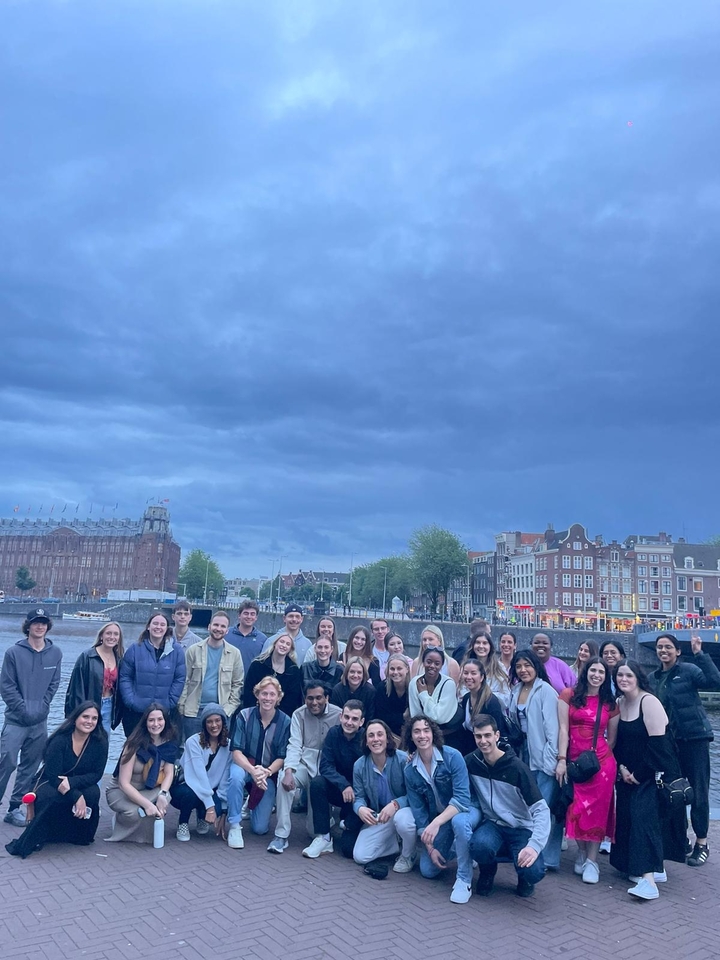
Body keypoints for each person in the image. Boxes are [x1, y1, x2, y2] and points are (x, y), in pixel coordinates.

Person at [610, 660, 688, 900]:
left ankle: (649, 881)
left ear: (638, 677)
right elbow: (618, 744)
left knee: (643, 819)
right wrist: (622, 769)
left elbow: (659, 746)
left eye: (628, 675)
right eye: (620, 675)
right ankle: (646, 865)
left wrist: (639, 774)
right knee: (626, 818)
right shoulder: (619, 704)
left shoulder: (649, 702)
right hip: (627, 773)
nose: (624, 679)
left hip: (652, 773)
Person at [452, 715, 550, 900]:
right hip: (494, 824)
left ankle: (525, 878)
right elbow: (449, 766)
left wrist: (534, 846)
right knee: (479, 846)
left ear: (497, 736)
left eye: (487, 735)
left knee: (534, 871)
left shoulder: (518, 768)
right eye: (478, 736)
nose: (483, 741)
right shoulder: (471, 762)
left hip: (521, 827)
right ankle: (488, 872)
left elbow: (541, 809)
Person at [5, 701, 108, 859]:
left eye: (94, 718)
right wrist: (76, 796)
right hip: (50, 781)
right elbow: (53, 775)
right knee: (51, 796)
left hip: (77, 781)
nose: (89, 721)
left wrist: (73, 784)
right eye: (85, 716)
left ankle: (77, 835)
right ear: (75, 719)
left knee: (93, 793)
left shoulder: (100, 741)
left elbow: (96, 774)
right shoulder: (60, 740)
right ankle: (41, 834)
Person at [651, 633, 720, 867]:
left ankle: (702, 843)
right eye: (660, 647)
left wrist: (700, 653)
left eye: (668, 647)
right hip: (669, 743)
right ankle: (680, 840)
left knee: (699, 790)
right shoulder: (653, 678)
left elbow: (714, 680)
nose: (664, 651)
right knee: (674, 791)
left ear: (678, 651)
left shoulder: (689, 671)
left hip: (694, 738)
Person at [556, 658, 619, 883]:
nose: (596, 675)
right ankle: (582, 852)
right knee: (576, 808)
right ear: (586, 672)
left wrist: (597, 760)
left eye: (601, 672)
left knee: (599, 812)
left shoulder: (610, 703)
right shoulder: (568, 695)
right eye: (593, 670)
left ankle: (592, 861)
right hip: (574, 762)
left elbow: (611, 740)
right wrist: (562, 759)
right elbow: (563, 729)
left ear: (606, 676)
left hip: (601, 764)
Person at [0, 608, 63, 827]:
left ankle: (14, 808)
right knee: (6, 762)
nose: (40, 626)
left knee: (30, 765)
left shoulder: (55, 654)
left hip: (39, 722)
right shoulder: (13, 653)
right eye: (36, 622)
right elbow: (6, 686)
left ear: (48, 626)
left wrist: (43, 707)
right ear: (28, 625)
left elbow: (54, 684)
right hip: (15, 721)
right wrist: (23, 710)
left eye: (44, 622)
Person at [402, 715, 471, 901]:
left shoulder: (452, 756)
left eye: (426, 730)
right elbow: (418, 811)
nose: (422, 735)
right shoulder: (410, 770)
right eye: (417, 731)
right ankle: (457, 847)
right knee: (428, 870)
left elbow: (463, 799)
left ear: (433, 734)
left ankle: (465, 877)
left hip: (462, 812)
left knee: (458, 822)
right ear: (411, 736)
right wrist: (430, 848)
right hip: (438, 819)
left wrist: (436, 823)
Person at [266, 682, 341, 854]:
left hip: (324, 772)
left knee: (313, 832)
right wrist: (289, 771)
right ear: (305, 699)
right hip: (304, 765)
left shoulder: (338, 715)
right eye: (310, 698)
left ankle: (324, 819)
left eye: (318, 698)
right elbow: (294, 744)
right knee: (283, 783)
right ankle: (281, 836)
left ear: (326, 698)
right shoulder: (298, 715)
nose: (314, 702)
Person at [508, 650, 562, 870]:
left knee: (544, 807)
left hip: (542, 756)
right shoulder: (516, 689)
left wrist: (553, 760)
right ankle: (529, 851)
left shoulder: (546, 691)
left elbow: (553, 730)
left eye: (527, 665)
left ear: (536, 666)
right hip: (523, 754)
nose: (523, 670)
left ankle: (548, 858)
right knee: (528, 805)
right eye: (519, 666)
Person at [226, 677, 291, 849]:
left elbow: (282, 756)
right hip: (245, 766)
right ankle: (234, 825)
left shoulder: (285, 721)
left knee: (260, 829)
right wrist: (252, 771)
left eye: (272, 694)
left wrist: (266, 772)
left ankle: (249, 805)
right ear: (257, 695)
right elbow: (236, 752)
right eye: (264, 693)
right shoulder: (244, 716)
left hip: (267, 773)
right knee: (235, 777)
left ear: (278, 698)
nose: (267, 698)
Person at [105, 703, 180, 843]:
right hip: (121, 791)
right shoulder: (133, 744)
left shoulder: (170, 743)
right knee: (134, 814)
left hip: (148, 789)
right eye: (151, 720)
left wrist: (163, 794)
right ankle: (122, 821)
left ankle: (146, 832)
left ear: (166, 721)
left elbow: (169, 773)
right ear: (145, 722)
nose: (156, 724)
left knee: (165, 797)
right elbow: (123, 783)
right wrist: (147, 804)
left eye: (160, 719)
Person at [303, 700, 366, 859]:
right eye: (347, 717)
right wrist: (344, 785)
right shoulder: (333, 734)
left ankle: (352, 824)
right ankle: (323, 837)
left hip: (359, 797)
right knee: (318, 783)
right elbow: (325, 766)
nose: (349, 722)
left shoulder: (366, 739)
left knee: (348, 850)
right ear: (340, 716)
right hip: (340, 790)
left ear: (361, 722)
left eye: (354, 719)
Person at [352, 720, 417, 873]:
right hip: (381, 816)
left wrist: (395, 804)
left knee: (401, 819)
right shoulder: (360, 766)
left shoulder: (403, 760)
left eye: (380, 735)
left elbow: (414, 794)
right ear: (366, 741)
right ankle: (395, 843)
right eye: (371, 736)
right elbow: (358, 795)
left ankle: (409, 854)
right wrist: (360, 808)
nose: (376, 739)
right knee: (360, 856)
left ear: (388, 738)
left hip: (404, 812)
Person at [118, 611, 186, 736]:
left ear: (167, 629)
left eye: (162, 624)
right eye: (155, 623)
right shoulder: (134, 649)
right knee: (134, 750)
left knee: (159, 750)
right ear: (148, 626)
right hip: (136, 712)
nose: (158, 627)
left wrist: (170, 702)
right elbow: (125, 677)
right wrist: (131, 701)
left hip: (162, 714)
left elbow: (179, 678)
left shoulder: (176, 651)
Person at [170, 703, 232, 841]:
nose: (214, 725)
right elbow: (197, 776)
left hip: (209, 789)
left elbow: (224, 779)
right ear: (204, 724)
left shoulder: (228, 746)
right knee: (190, 794)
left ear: (223, 722)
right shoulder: (193, 742)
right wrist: (210, 807)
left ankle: (201, 816)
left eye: (217, 720)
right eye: (209, 721)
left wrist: (222, 808)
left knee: (216, 806)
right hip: (186, 786)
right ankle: (183, 823)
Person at [177, 611, 244, 740]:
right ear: (209, 627)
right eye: (216, 625)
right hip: (193, 712)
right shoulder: (193, 650)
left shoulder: (235, 654)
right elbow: (184, 680)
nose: (218, 629)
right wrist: (182, 706)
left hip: (221, 712)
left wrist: (228, 710)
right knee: (193, 750)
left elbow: (237, 684)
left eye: (223, 626)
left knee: (218, 752)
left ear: (227, 630)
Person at [65, 621, 124, 735]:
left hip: (109, 707)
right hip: (89, 705)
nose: (112, 637)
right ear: (101, 635)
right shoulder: (87, 656)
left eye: (116, 634)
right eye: (108, 633)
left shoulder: (120, 659)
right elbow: (76, 688)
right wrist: (77, 712)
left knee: (102, 743)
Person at [407, 647, 462, 747]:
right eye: (428, 662)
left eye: (437, 663)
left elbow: (439, 717)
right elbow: (416, 715)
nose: (432, 666)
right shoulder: (414, 683)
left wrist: (423, 694)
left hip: (448, 737)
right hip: (423, 735)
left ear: (441, 666)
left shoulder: (448, 683)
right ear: (423, 662)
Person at [457, 659, 508, 756]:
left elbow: (497, 732)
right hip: (471, 752)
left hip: (489, 753)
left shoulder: (491, 702)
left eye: (473, 673)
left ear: (481, 677)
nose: (469, 677)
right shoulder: (466, 698)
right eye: (466, 673)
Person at [243, 633, 302, 716]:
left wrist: (276, 717)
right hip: (255, 713)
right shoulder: (257, 665)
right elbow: (248, 691)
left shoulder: (293, 671)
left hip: (281, 717)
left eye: (288, 644)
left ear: (290, 649)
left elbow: (292, 699)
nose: (284, 645)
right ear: (275, 644)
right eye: (281, 642)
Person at [461, 632, 510, 705]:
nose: (481, 646)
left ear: (490, 646)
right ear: (473, 645)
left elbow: (506, 699)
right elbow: (461, 693)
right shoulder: (465, 667)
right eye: (478, 643)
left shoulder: (499, 668)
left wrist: (484, 696)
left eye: (485, 643)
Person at [225, 600, 268, 674]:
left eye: (252, 614)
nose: (249, 617)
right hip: (227, 681)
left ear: (256, 617)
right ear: (239, 615)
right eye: (246, 613)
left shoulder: (263, 639)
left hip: (251, 682)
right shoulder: (226, 634)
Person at [374, 654, 411, 738]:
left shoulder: (413, 689)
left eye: (399, 668)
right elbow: (381, 716)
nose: (395, 672)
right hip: (387, 733)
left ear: (407, 669)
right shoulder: (382, 688)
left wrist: (394, 717)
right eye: (392, 669)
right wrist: (402, 717)